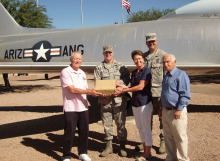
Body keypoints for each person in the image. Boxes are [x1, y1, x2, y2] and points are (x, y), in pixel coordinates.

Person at [60, 51, 99, 161]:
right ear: (71, 59)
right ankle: (66, 155)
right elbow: (71, 89)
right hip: (71, 107)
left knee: (84, 131)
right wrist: (90, 92)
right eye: (75, 59)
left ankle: (83, 153)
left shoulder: (82, 73)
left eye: (80, 59)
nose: (78, 61)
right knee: (69, 132)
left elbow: (85, 90)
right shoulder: (65, 72)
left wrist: (93, 91)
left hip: (83, 106)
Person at [114, 50, 153, 161]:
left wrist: (123, 91)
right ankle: (146, 152)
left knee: (146, 129)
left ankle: (147, 154)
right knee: (140, 129)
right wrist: (121, 86)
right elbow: (131, 86)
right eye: (135, 59)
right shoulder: (134, 72)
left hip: (144, 104)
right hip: (136, 104)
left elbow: (140, 87)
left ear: (143, 59)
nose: (138, 61)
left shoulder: (146, 71)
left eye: (139, 58)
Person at [94, 45, 130, 157]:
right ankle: (109, 146)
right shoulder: (99, 67)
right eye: (106, 53)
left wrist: (120, 86)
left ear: (113, 53)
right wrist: (101, 91)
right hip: (105, 100)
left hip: (119, 100)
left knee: (121, 123)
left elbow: (127, 81)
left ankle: (122, 146)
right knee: (107, 123)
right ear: (103, 54)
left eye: (109, 52)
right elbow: (97, 83)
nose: (108, 54)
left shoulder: (121, 66)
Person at [135, 33, 167, 154]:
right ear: (146, 43)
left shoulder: (163, 55)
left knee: (162, 117)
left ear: (156, 41)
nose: (151, 43)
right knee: (147, 119)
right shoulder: (144, 56)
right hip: (146, 93)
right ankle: (147, 142)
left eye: (153, 41)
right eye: (149, 41)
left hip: (159, 92)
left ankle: (163, 141)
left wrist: (166, 93)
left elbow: (166, 75)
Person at [160, 54, 191, 161]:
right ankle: (171, 158)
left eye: (168, 61)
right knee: (168, 137)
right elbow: (164, 93)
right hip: (166, 111)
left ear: (175, 62)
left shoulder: (181, 75)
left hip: (176, 111)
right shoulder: (167, 76)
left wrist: (179, 109)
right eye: (164, 62)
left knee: (180, 137)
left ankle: (183, 159)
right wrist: (161, 108)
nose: (165, 64)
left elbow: (185, 94)